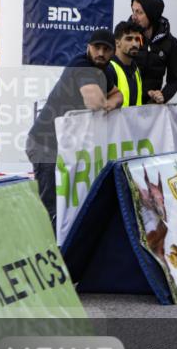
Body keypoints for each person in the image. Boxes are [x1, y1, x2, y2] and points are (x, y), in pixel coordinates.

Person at [26, 31, 122, 224]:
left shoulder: (106, 70)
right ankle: (46, 241)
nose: (101, 53)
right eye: (97, 47)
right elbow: (94, 102)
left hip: (69, 147)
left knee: (70, 204)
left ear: (113, 52)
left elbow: (118, 95)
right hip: (45, 145)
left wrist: (110, 103)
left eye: (106, 49)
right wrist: (106, 104)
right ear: (88, 47)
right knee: (51, 208)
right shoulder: (81, 65)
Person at [130, 0, 177, 104]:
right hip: (126, 105)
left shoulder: (171, 43)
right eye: (133, 11)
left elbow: (174, 81)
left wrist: (163, 96)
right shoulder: (126, 36)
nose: (134, 16)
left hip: (151, 107)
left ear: (151, 15)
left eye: (139, 12)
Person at [108, 21, 145, 107]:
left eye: (137, 39)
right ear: (117, 43)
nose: (135, 44)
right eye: (129, 39)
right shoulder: (109, 69)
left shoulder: (136, 70)